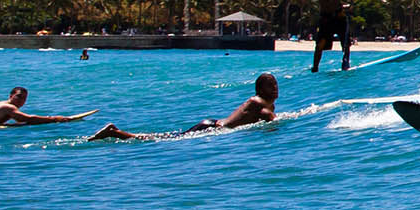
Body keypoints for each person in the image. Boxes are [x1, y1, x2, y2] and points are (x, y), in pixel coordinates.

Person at [88, 73, 279, 141]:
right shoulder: (259, 102)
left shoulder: (263, 103)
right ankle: (115, 132)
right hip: (212, 128)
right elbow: (267, 116)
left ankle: (116, 132)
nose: (275, 88)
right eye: (271, 85)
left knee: (167, 137)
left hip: (212, 125)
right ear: (260, 89)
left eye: (276, 84)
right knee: (163, 140)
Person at [310, 0, 352, 72]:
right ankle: (315, 67)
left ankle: (345, 64)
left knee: (346, 43)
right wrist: (341, 5)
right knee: (320, 44)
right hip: (326, 18)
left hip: (339, 16)